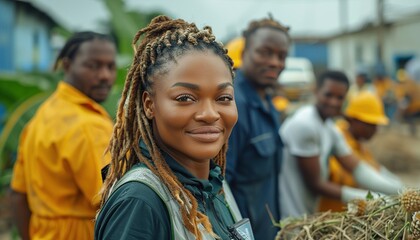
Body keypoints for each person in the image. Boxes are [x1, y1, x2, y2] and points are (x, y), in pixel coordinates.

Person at [95, 16, 248, 240]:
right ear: (150, 105)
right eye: (185, 98)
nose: (209, 114)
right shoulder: (140, 202)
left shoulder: (215, 184)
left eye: (223, 98)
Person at [10, 31, 117, 239]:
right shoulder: (89, 125)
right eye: (93, 65)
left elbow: (16, 196)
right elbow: (113, 200)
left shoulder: (41, 117)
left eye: (110, 66)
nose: (105, 75)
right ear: (67, 65)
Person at [279, 70, 404, 219]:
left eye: (340, 97)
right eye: (328, 95)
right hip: (291, 217)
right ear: (316, 91)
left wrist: (402, 192)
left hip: (308, 212)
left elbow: (358, 169)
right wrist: (376, 200)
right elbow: (316, 183)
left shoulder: (329, 127)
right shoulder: (305, 124)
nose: (334, 102)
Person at [225, 15, 289, 240]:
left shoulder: (267, 101)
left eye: (281, 56)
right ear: (244, 54)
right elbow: (221, 188)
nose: (275, 62)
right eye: (265, 52)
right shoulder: (233, 105)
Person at [318, 92, 402, 212]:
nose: (375, 130)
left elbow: (374, 169)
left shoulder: (359, 145)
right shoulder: (338, 140)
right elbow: (340, 179)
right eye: (370, 124)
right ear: (353, 120)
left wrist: (402, 188)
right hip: (331, 215)